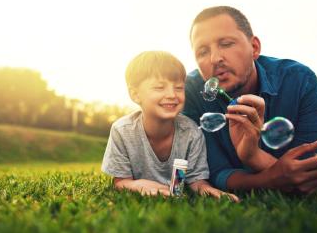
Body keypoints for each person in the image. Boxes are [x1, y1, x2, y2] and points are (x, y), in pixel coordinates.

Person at [183, 5, 317, 194]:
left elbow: (314, 179)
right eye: (202, 52)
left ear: (254, 47)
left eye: (226, 44)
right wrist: (270, 179)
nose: (214, 58)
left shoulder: (298, 80)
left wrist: (253, 156)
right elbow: (214, 172)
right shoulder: (191, 90)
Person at [101, 51, 239, 201]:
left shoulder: (192, 132)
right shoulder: (122, 131)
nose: (172, 95)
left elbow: (196, 181)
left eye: (179, 88)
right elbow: (121, 182)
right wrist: (139, 185)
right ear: (135, 95)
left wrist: (209, 191)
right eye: (160, 88)